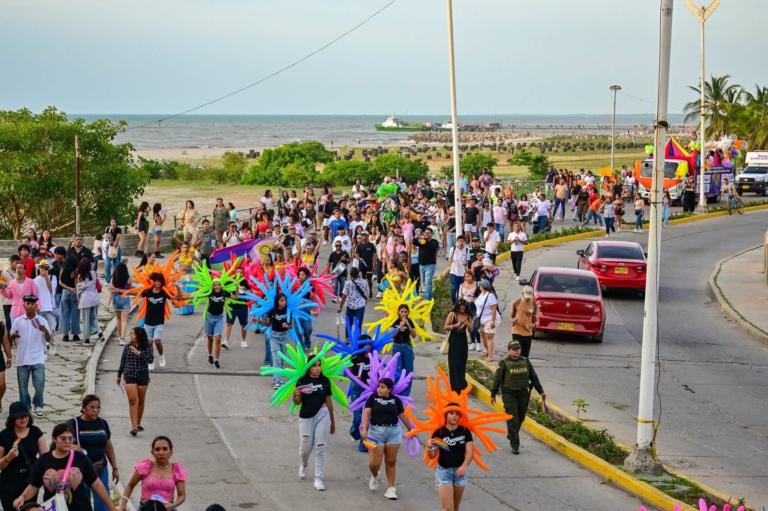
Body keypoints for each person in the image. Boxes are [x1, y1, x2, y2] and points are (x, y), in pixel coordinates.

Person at [15, 422, 118, 511]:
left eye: (70, 439)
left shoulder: (80, 458)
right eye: (63, 439)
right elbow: (33, 485)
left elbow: (96, 484)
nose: (67, 442)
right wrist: (23, 497)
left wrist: (112, 507)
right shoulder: (44, 460)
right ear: (54, 439)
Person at [361, 378, 414, 501]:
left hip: (393, 432)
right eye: (379, 386)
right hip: (374, 432)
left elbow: (402, 415)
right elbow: (367, 413)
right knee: (374, 464)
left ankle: (391, 489)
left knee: (391, 461)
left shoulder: (396, 400)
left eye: (383, 387)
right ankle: (375, 475)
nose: (379, 389)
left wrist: (412, 430)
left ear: (389, 389)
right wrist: (364, 429)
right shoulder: (372, 398)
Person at [490, 340, 545, 454]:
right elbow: (497, 379)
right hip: (509, 393)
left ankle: (511, 434)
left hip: (523, 393)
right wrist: (493, 394)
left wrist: (541, 391)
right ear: (509, 351)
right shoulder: (504, 363)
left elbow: (534, 377)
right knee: (512, 418)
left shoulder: (525, 361)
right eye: (514, 349)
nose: (517, 351)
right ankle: (515, 445)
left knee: (521, 417)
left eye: (518, 349)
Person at [68, 395, 119, 511]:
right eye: (92, 407)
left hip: (100, 468)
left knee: (102, 501)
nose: (95, 410)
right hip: (80, 470)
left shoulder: (102, 423)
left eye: (98, 407)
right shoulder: (73, 424)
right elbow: (60, 443)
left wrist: (115, 468)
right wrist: (72, 446)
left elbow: (109, 447)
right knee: (82, 501)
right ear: (83, 408)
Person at [292, 357, 336, 491]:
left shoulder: (325, 381)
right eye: (314, 366)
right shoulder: (302, 381)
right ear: (309, 368)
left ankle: (318, 478)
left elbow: (328, 401)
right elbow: (297, 402)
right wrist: (295, 394)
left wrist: (332, 421)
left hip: (323, 414)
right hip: (306, 416)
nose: (318, 368)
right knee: (305, 447)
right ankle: (304, 464)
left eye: (319, 365)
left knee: (321, 447)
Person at [0, 402, 47, 511]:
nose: (23, 419)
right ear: (12, 418)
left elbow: (44, 457)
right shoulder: (4, 435)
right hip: (10, 481)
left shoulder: (35, 432)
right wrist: (9, 457)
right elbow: (0, 466)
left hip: (30, 479)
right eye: (19, 417)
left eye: (25, 416)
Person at [119, 436, 187, 510]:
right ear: (152, 452)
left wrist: (172, 505)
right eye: (157, 449)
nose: (161, 452)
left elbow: (182, 495)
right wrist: (123, 503)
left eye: (165, 449)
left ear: (170, 452)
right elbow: (130, 485)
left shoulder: (176, 469)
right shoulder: (145, 467)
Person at [427, 405, 474, 511]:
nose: (454, 416)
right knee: (448, 508)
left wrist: (464, 466)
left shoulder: (465, 432)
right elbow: (432, 455)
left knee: (455, 507)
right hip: (444, 471)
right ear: (446, 415)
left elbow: (470, 452)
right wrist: (429, 448)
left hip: (460, 472)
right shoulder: (439, 433)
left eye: (457, 414)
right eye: (451, 413)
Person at [9, 296, 49, 417]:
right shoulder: (18, 321)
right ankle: (25, 407)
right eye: (28, 303)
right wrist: (14, 336)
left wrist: (45, 332)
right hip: (22, 358)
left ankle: (38, 404)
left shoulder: (42, 321)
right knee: (23, 387)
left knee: (40, 383)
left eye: (32, 304)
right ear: (24, 305)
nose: (30, 306)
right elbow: (11, 336)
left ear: (36, 306)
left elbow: (48, 339)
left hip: (37, 357)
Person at [117, 327, 154, 437]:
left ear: (139, 336)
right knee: (133, 400)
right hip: (129, 375)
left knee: (141, 400)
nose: (131, 335)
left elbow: (150, 360)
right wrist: (119, 375)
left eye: (133, 334)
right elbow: (123, 361)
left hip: (142, 375)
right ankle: (134, 427)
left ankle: (138, 423)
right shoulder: (128, 347)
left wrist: (139, 353)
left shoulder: (147, 347)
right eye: (131, 333)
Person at [260, 293, 293, 389]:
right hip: (274, 337)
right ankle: (277, 381)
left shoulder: (288, 311)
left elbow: (291, 325)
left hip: (284, 337)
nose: (283, 302)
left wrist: (287, 326)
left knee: (282, 359)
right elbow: (268, 323)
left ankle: (280, 378)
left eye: (284, 300)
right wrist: (259, 322)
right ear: (277, 301)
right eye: (281, 301)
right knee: (276, 359)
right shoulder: (272, 311)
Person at [348, 337, 372, 453]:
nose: (368, 347)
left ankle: (363, 444)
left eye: (369, 344)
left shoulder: (374, 357)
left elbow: (378, 372)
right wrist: (353, 377)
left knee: (365, 417)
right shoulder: (354, 357)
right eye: (365, 344)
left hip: (369, 389)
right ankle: (353, 430)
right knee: (357, 417)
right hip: (356, 388)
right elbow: (347, 372)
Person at [444, 300, 473, 392]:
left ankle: (462, 385)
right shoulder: (452, 314)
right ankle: (454, 386)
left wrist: (468, 325)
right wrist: (455, 325)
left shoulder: (468, 316)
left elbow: (471, 330)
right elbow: (446, 327)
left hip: (462, 339)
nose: (462, 310)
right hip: (454, 339)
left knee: (461, 363)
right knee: (454, 363)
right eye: (461, 308)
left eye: (464, 308)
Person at [143, 273, 171, 370]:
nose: (157, 282)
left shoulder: (164, 293)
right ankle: (151, 360)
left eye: (159, 280)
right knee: (149, 342)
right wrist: (118, 290)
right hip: (148, 322)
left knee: (157, 341)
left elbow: (177, 298)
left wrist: (177, 287)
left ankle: (161, 356)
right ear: (152, 281)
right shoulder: (147, 292)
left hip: (159, 322)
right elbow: (134, 292)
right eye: (155, 280)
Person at [33, 261, 58, 356]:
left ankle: (52, 344)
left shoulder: (53, 278)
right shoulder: (35, 280)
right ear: (39, 268)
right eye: (42, 268)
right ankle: (44, 351)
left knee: (51, 330)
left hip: (49, 308)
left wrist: (46, 277)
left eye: (46, 268)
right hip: (39, 309)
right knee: (41, 332)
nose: (44, 270)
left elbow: (51, 289)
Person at [390, 305, 416, 397]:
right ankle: (396, 392)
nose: (403, 313)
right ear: (398, 312)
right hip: (397, 347)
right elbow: (391, 336)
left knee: (408, 371)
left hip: (407, 347)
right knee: (397, 371)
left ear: (408, 313)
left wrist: (408, 324)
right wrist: (399, 327)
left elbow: (414, 335)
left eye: (405, 312)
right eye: (402, 311)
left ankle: (405, 394)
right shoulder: (395, 322)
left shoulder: (410, 322)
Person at [76, 258, 102, 346]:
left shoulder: (81, 276)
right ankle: (99, 332)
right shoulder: (94, 273)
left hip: (86, 299)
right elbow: (99, 284)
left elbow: (79, 288)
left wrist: (78, 298)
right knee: (93, 318)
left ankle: (86, 339)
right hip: (95, 298)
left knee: (86, 320)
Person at [107, 262, 132, 345]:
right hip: (125, 298)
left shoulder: (113, 278)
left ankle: (119, 335)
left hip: (116, 299)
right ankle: (122, 338)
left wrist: (108, 303)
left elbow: (111, 291)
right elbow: (130, 290)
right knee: (124, 320)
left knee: (118, 319)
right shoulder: (129, 278)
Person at [224, 268, 250, 349]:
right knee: (229, 323)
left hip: (243, 306)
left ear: (243, 273)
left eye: (241, 272)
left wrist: (245, 289)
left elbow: (250, 291)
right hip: (232, 306)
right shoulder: (230, 281)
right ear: (235, 273)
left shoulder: (245, 282)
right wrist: (226, 300)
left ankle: (243, 341)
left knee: (243, 324)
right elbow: (224, 291)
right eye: (238, 272)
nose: (239, 273)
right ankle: (226, 341)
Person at [509, 286, 538, 358]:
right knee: (517, 353)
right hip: (516, 331)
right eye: (526, 297)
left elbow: (538, 322)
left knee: (525, 355)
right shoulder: (516, 302)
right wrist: (512, 320)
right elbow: (510, 316)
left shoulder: (534, 305)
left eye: (529, 297)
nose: (527, 298)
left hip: (528, 333)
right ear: (522, 293)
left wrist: (533, 325)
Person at [58, 255, 82, 343]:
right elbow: (77, 283)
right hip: (75, 293)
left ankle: (65, 334)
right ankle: (75, 334)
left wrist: (68, 288)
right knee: (75, 314)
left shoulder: (63, 270)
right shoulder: (76, 271)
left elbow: (60, 282)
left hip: (64, 292)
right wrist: (73, 289)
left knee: (64, 314)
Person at [337, 267, 368, 332]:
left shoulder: (348, 283)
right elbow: (365, 290)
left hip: (350, 306)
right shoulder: (364, 282)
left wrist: (340, 307)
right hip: (360, 306)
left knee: (349, 324)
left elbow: (344, 296)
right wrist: (361, 277)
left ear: (350, 275)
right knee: (358, 325)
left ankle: (347, 339)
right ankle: (357, 339)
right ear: (358, 274)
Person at [205, 280, 227, 369]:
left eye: (219, 285)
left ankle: (216, 360)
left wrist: (237, 287)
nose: (217, 287)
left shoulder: (224, 293)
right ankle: (210, 355)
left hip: (219, 318)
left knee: (217, 338)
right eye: (215, 285)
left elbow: (236, 296)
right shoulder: (210, 293)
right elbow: (196, 295)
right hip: (209, 317)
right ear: (212, 286)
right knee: (210, 339)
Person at [475, 280, 498, 362]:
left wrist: (493, 321)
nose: (479, 287)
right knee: (482, 334)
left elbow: (494, 309)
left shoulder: (490, 295)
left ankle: (490, 355)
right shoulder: (482, 294)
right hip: (481, 319)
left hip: (489, 318)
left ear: (483, 286)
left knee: (489, 336)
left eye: (480, 285)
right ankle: (487, 350)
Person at [417, 228, 440, 300]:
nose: (426, 234)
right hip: (421, 265)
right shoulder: (422, 241)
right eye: (425, 233)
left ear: (431, 234)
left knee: (428, 281)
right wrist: (417, 238)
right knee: (424, 282)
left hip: (430, 265)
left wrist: (424, 240)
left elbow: (432, 246)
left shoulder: (434, 242)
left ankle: (428, 298)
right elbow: (414, 242)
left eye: (428, 233)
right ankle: (430, 294)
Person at [447, 236, 469, 303]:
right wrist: (450, 260)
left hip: (462, 274)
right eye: (460, 241)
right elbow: (449, 258)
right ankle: (454, 303)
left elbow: (467, 261)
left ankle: (460, 302)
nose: (461, 242)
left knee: (461, 289)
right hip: (454, 272)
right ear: (457, 242)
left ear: (464, 242)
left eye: (462, 241)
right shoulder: (453, 249)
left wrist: (465, 262)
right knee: (454, 288)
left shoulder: (466, 250)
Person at [104, 219, 122, 284]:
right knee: (107, 264)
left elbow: (117, 238)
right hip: (108, 247)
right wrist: (108, 237)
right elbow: (106, 238)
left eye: (114, 222)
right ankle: (107, 280)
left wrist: (114, 245)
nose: (113, 223)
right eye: (111, 221)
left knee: (116, 264)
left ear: (116, 223)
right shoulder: (108, 229)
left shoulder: (118, 229)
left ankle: (115, 280)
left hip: (116, 247)